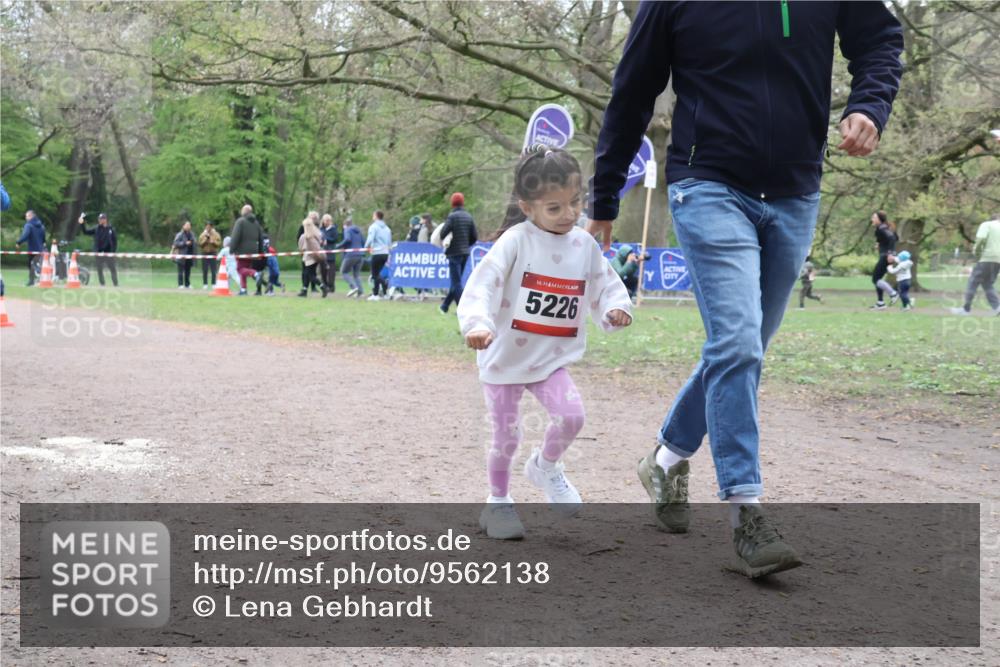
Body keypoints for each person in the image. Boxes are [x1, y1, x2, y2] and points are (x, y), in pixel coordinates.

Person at [587, 1, 903, 577]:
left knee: (742, 346)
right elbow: (632, 92)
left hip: (795, 192)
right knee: (737, 344)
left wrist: (870, 106)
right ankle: (745, 511)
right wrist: (604, 197)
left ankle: (665, 457)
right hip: (706, 184)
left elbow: (881, 39)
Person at [459, 146, 633, 539]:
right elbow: (482, 286)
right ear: (527, 207)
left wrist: (614, 308)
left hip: (550, 359)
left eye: (575, 203)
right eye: (554, 208)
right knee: (507, 436)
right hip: (504, 357)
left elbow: (604, 284)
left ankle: (545, 466)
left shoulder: (583, 244)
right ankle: (498, 503)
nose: (569, 214)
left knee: (572, 417)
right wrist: (477, 324)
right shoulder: (515, 242)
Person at [951, 217, 1000, 316]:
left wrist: (976, 253)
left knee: (972, 282)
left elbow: (981, 239)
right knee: (987, 284)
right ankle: (997, 307)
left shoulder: (987, 224)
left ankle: (965, 309)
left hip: (987, 257)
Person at [438, 193, 478, 314]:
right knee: (456, 282)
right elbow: (474, 237)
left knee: (456, 283)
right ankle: (444, 306)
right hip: (465, 252)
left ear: (452, 203)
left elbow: (442, 234)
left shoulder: (452, 217)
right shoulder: (468, 216)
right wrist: (466, 244)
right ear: (463, 202)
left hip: (454, 253)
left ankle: (463, 308)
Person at [229, 204, 264, 296]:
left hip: (242, 251)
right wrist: (260, 252)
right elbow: (261, 238)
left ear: (243, 212)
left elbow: (235, 236)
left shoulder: (240, 222)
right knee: (245, 269)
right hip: (253, 252)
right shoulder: (257, 223)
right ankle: (243, 290)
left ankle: (256, 274)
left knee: (240, 269)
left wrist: (231, 249)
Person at [79, 213, 119, 286]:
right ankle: (102, 284)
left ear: (105, 220)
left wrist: (113, 251)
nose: (100, 220)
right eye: (99, 219)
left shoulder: (111, 229)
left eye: (102, 219)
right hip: (98, 252)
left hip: (108, 252)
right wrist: (82, 224)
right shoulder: (96, 228)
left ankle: (115, 284)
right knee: (99, 269)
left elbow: (115, 241)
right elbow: (86, 232)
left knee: (112, 269)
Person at [870, 211, 899, 309]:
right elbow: (896, 237)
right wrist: (880, 244)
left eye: (874, 217)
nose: (872, 219)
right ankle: (880, 303)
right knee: (878, 279)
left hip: (886, 256)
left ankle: (893, 293)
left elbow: (891, 238)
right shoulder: (883, 228)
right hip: (886, 255)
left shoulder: (881, 228)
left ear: (879, 219)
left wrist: (890, 253)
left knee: (875, 279)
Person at [297, 216, 328, 298]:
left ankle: (323, 287)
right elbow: (322, 243)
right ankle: (304, 290)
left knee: (310, 275)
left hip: (309, 258)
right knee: (309, 274)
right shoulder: (317, 234)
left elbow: (302, 248)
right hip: (316, 258)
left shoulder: (305, 237)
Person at [337, 217, 366, 298]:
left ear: (344, 225)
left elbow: (347, 239)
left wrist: (339, 245)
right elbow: (363, 242)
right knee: (356, 274)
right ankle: (361, 292)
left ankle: (353, 287)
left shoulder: (347, 230)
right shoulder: (359, 231)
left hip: (351, 254)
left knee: (343, 271)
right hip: (360, 255)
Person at [365, 210, 392, 301]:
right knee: (378, 274)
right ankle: (379, 294)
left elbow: (370, 238)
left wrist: (366, 247)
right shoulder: (387, 229)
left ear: (376, 216)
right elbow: (389, 242)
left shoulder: (373, 227)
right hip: (385, 253)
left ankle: (384, 286)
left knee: (374, 274)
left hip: (377, 252)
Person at [15, 210, 46, 286]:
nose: (26, 218)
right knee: (35, 265)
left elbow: (25, 235)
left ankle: (32, 281)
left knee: (31, 265)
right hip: (40, 249)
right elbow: (44, 238)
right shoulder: (41, 226)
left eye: (27, 216)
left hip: (32, 249)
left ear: (31, 216)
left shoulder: (28, 225)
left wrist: (18, 242)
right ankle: (36, 279)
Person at [198, 221, 222, 289]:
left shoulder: (216, 234)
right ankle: (205, 284)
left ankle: (213, 283)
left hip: (213, 253)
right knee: (205, 269)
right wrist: (205, 240)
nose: (208, 228)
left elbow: (219, 243)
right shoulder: (202, 234)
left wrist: (213, 242)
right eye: (207, 226)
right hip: (204, 253)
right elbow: (200, 244)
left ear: (212, 227)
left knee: (213, 269)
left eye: (209, 226)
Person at [173, 221, 196, 289]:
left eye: (189, 225)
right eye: (187, 225)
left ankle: (187, 284)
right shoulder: (179, 234)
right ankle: (180, 285)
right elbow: (176, 243)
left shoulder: (192, 234)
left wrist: (193, 242)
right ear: (183, 226)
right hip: (181, 255)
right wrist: (185, 243)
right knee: (180, 271)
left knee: (188, 271)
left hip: (190, 255)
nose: (188, 226)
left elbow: (195, 241)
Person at [320, 214, 340, 294]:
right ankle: (325, 286)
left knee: (331, 271)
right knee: (323, 270)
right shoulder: (321, 229)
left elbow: (335, 239)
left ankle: (331, 286)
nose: (326, 222)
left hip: (330, 252)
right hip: (322, 252)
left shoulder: (334, 229)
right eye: (325, 220)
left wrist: (327, 240)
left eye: (328, 220)